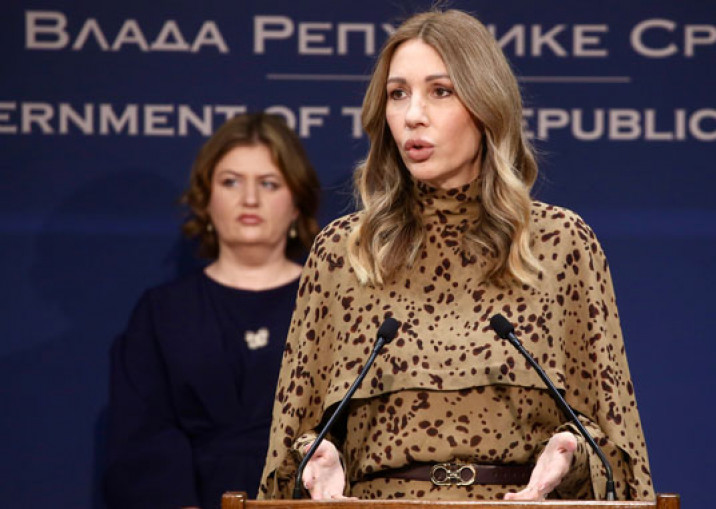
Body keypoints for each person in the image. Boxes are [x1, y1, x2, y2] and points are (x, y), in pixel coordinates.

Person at [259, 9, 654, 502]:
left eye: (440, 92)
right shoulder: (345, 252)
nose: (413, 115)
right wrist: (318, 458)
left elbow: (619, 456)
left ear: (487, 106)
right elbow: (287, 454)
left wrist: (570, 454)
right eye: (397, 94)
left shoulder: (560, 246)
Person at [104, 113, 320, 509]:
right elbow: (140, 439)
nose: (249, 199)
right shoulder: (163, 312)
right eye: (231, 182)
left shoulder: (331, 304)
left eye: (269, 183)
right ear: (206, 197)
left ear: (296, 203)